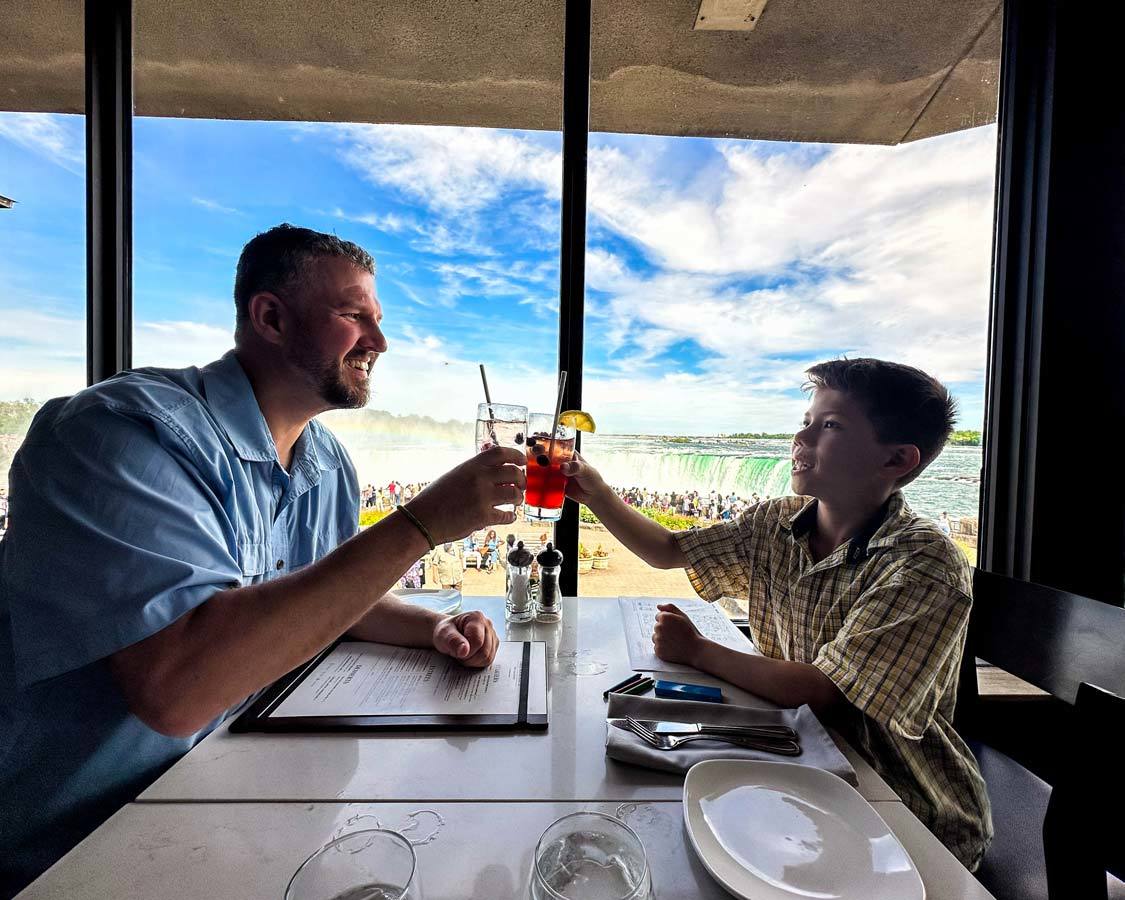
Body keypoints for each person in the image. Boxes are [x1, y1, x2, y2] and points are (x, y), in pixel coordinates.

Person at [0, 224, 525, 894]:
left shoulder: (327, 462)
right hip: (67, 849)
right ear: (270, 317)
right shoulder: (118, 435)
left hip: (222, 799)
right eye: (353, 315)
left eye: (378, 319)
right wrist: (421, 525)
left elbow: (320, 601)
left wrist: (430, 628)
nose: (380, 342)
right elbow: (176, 691)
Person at [561, 358, 992, 871]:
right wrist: (598, 494)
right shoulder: (776, 524)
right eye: (806, 420)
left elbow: (823, 691)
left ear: (897, 460)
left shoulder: (922, 563)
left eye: (829, 425)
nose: (801, 436)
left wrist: (698, 650)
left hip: (904, 809)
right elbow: (670, 549)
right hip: (801, 767)